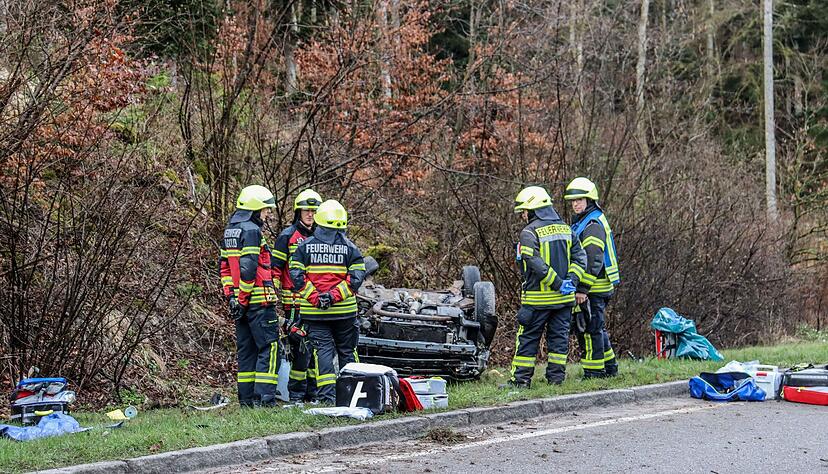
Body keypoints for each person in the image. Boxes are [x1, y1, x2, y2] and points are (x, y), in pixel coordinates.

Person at [507, 186, 587, 387]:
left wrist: (557, 283)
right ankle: (556, 381)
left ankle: (520, 381)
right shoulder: (566, 229)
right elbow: (581, 258)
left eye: (524, 211)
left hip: (537, 301)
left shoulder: (529, 232)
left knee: (527, 340)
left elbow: (534, 263)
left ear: (534, 209)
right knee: (559, 341)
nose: (523, 216)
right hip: (564, 301)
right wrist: (571, 281)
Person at [289, 200, 366, 404]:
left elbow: (296, 276)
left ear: (319, 220)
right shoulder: (351, 249)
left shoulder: (304, 247)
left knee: (322, 353)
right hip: (344, 313)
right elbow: (355, 279)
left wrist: (316, 298)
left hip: (315, 314)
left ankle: (327, 398)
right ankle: (352, 397)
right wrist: (334, 296)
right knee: (347, 352)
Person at [219, 185, 282, 407]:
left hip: (240, 304)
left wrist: (232, 298)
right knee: (270, 348)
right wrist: (243, 299)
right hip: (258, 301)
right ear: (255, 209)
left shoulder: (230, 230)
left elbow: (225, 268)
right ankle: (264, 400)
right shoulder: (252, 231)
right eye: (265, 209)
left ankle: (246, 401)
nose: (268, 214)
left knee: (246, 351)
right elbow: (248, 269)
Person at [564, 177, 621, 377]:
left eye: (580, 200)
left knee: (590, 330)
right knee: (598, 328)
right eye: (573, 201)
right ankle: (610, 367)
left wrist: (582, 289)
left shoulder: (592, 224)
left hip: (594, 287)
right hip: (597, 286)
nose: (575, 204)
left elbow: (593, 259)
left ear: (590, 200)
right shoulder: (586, 221)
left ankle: (594, 372)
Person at [271, 189, 323, 403]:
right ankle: (297, 394)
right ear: (298, 212)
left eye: (314, 211)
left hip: (317, 302)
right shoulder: (287, 236)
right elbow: (275, 268)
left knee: (315, 347)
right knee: (300, 347)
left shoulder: (322, 236)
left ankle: (313, 393)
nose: (310, 214)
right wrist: (273, 296)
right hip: (293, 303)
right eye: (306, 210)